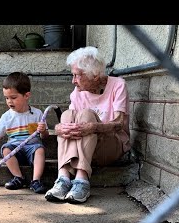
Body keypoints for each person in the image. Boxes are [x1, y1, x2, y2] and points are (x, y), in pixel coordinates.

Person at [45, 46, 131, 204]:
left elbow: (119, 123)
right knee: (67, 115)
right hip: (85, 148)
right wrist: (58, 129)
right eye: (73, 75)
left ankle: (82, 181)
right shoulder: (76, 93)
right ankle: (63, 178)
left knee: (86, 115)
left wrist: (94, 127)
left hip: (111, 146)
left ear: (96, 75)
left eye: (77, 76)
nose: (73, 81)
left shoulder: (118, 85)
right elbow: (68, 123)